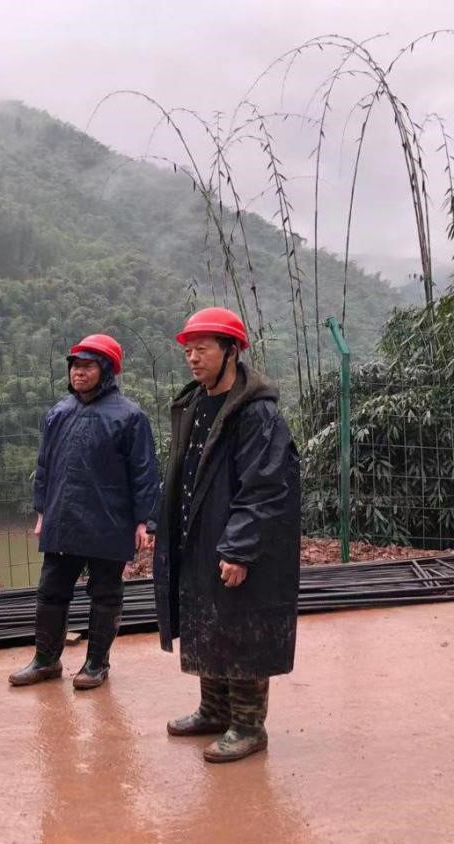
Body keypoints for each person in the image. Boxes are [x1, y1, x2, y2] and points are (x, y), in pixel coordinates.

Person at [153, 306, 301, 764]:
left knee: (242, 628)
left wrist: (239, 548)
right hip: (198, 532)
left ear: (231, 351)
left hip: (238, 539)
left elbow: (265, 486)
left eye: (202, 349)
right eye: (188, 351)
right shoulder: (194, 404)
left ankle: (249, 727)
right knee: (206, 617)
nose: (193, 359)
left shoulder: (257, 414)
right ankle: (214, 710)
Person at [9, 334, 160, 690]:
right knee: (50, 591)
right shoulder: (59, 413)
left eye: (88, 366)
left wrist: (145, 521)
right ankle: (46, 660)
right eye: (75, 365)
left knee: (105, 593)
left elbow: (144, 472)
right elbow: (45, 466)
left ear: (106, 370)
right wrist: (43, 511)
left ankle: (96, 664)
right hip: (63, 518)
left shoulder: (130, 417)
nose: (78, 372)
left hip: (110, 520)